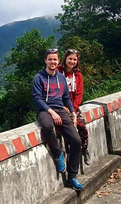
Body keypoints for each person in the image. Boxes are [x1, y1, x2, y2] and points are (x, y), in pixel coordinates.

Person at [32, 48, 84, 191]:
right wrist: (51, 112)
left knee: (76, 141)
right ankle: (57, 153)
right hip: (45, 110)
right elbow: (37, 98)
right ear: (45, 61)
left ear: (58, 61)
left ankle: (72, 176)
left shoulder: (60, 77)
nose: (52, 62)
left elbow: (66, 97)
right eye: (50, 59)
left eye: (55, 59)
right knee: (48, 126)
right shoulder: (39, 77)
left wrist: (73, 113)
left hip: (61, 109)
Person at [58, 49, 91, 165]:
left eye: (74, 59)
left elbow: (79, 94)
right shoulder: (57, 72)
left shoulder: (77, 76)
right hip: (59, 107)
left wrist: (74, 109)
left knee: (81, 126)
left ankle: (85, 149)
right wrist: (62, 106)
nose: (72, 61)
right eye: (70, 59)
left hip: (73, 107)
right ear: (65, 59)